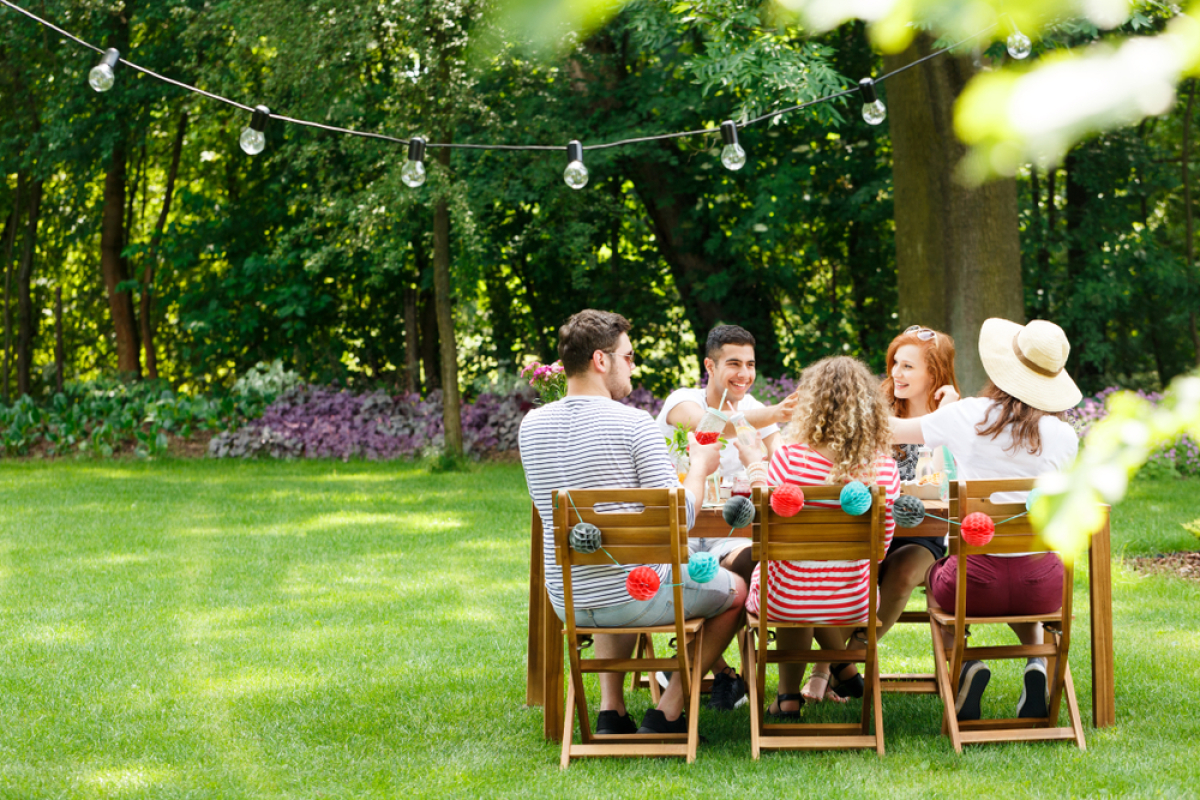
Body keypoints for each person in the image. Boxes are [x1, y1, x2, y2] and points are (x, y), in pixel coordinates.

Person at [519, 309, 751, 736]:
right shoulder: (634, 424)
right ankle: (668, 710)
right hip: (635, 593)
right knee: (737, 591)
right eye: (628, 356)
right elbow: (678, 517)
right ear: (600, 361)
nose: (633, 366)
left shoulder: (531, 426)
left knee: (617, 571)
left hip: (569, 598)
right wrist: (699, 468)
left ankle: (612, 712)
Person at [889, 318, 1082, 722]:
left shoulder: (968, 415)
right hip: (1044, 588)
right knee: (1019, 575)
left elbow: (893, 429)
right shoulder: (1066, 437)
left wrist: (944, 413)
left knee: (934, 576)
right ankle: (1037, 666)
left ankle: (964, 669)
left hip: (974, 586)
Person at [743, 356, 900, 715]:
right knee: (811, 575)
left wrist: (754, 462)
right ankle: (842, 665)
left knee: (792, 575)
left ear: (812, 405)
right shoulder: (885, 468)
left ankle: (788, 698)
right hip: (853, 601)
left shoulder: (787, 460)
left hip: (784, 599)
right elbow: (880, 550)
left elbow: (766, 527)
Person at [654, 324, 798, 706]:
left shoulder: (754, 410)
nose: (744, 374)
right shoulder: (682, 400)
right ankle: (718, 670)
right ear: (709, 365)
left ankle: (691, 665)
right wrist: (772, 413)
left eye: (750, 365)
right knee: (690, 575)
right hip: (679, 534)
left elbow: (783, 465)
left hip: (728, 535)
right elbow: (705, 426)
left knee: (754, 563)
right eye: (733, 363)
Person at [842, 325, 961, 698]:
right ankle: (835, 667)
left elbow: (948, 480)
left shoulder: (955, 415)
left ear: (935, 373)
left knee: (905, 570)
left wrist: (947, 418)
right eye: (895, 363)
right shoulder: (875, 411)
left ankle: (845, 658)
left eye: (908, 366)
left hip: (922, 532)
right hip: (870, 527)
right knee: (840, 570)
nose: (896, 373)